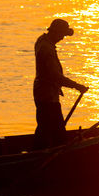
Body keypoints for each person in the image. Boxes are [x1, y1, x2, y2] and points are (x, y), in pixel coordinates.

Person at [33, 19, 88, 149]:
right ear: (56, 32)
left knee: (45, 127)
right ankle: (44, 153)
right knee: (57, 132)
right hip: (48, 96)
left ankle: (40, 150)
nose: (63, 38)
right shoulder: (47, 50)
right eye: (62, 35)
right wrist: (77, 86)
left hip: (42, 92)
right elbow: (56, 76)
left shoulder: (42, 40)